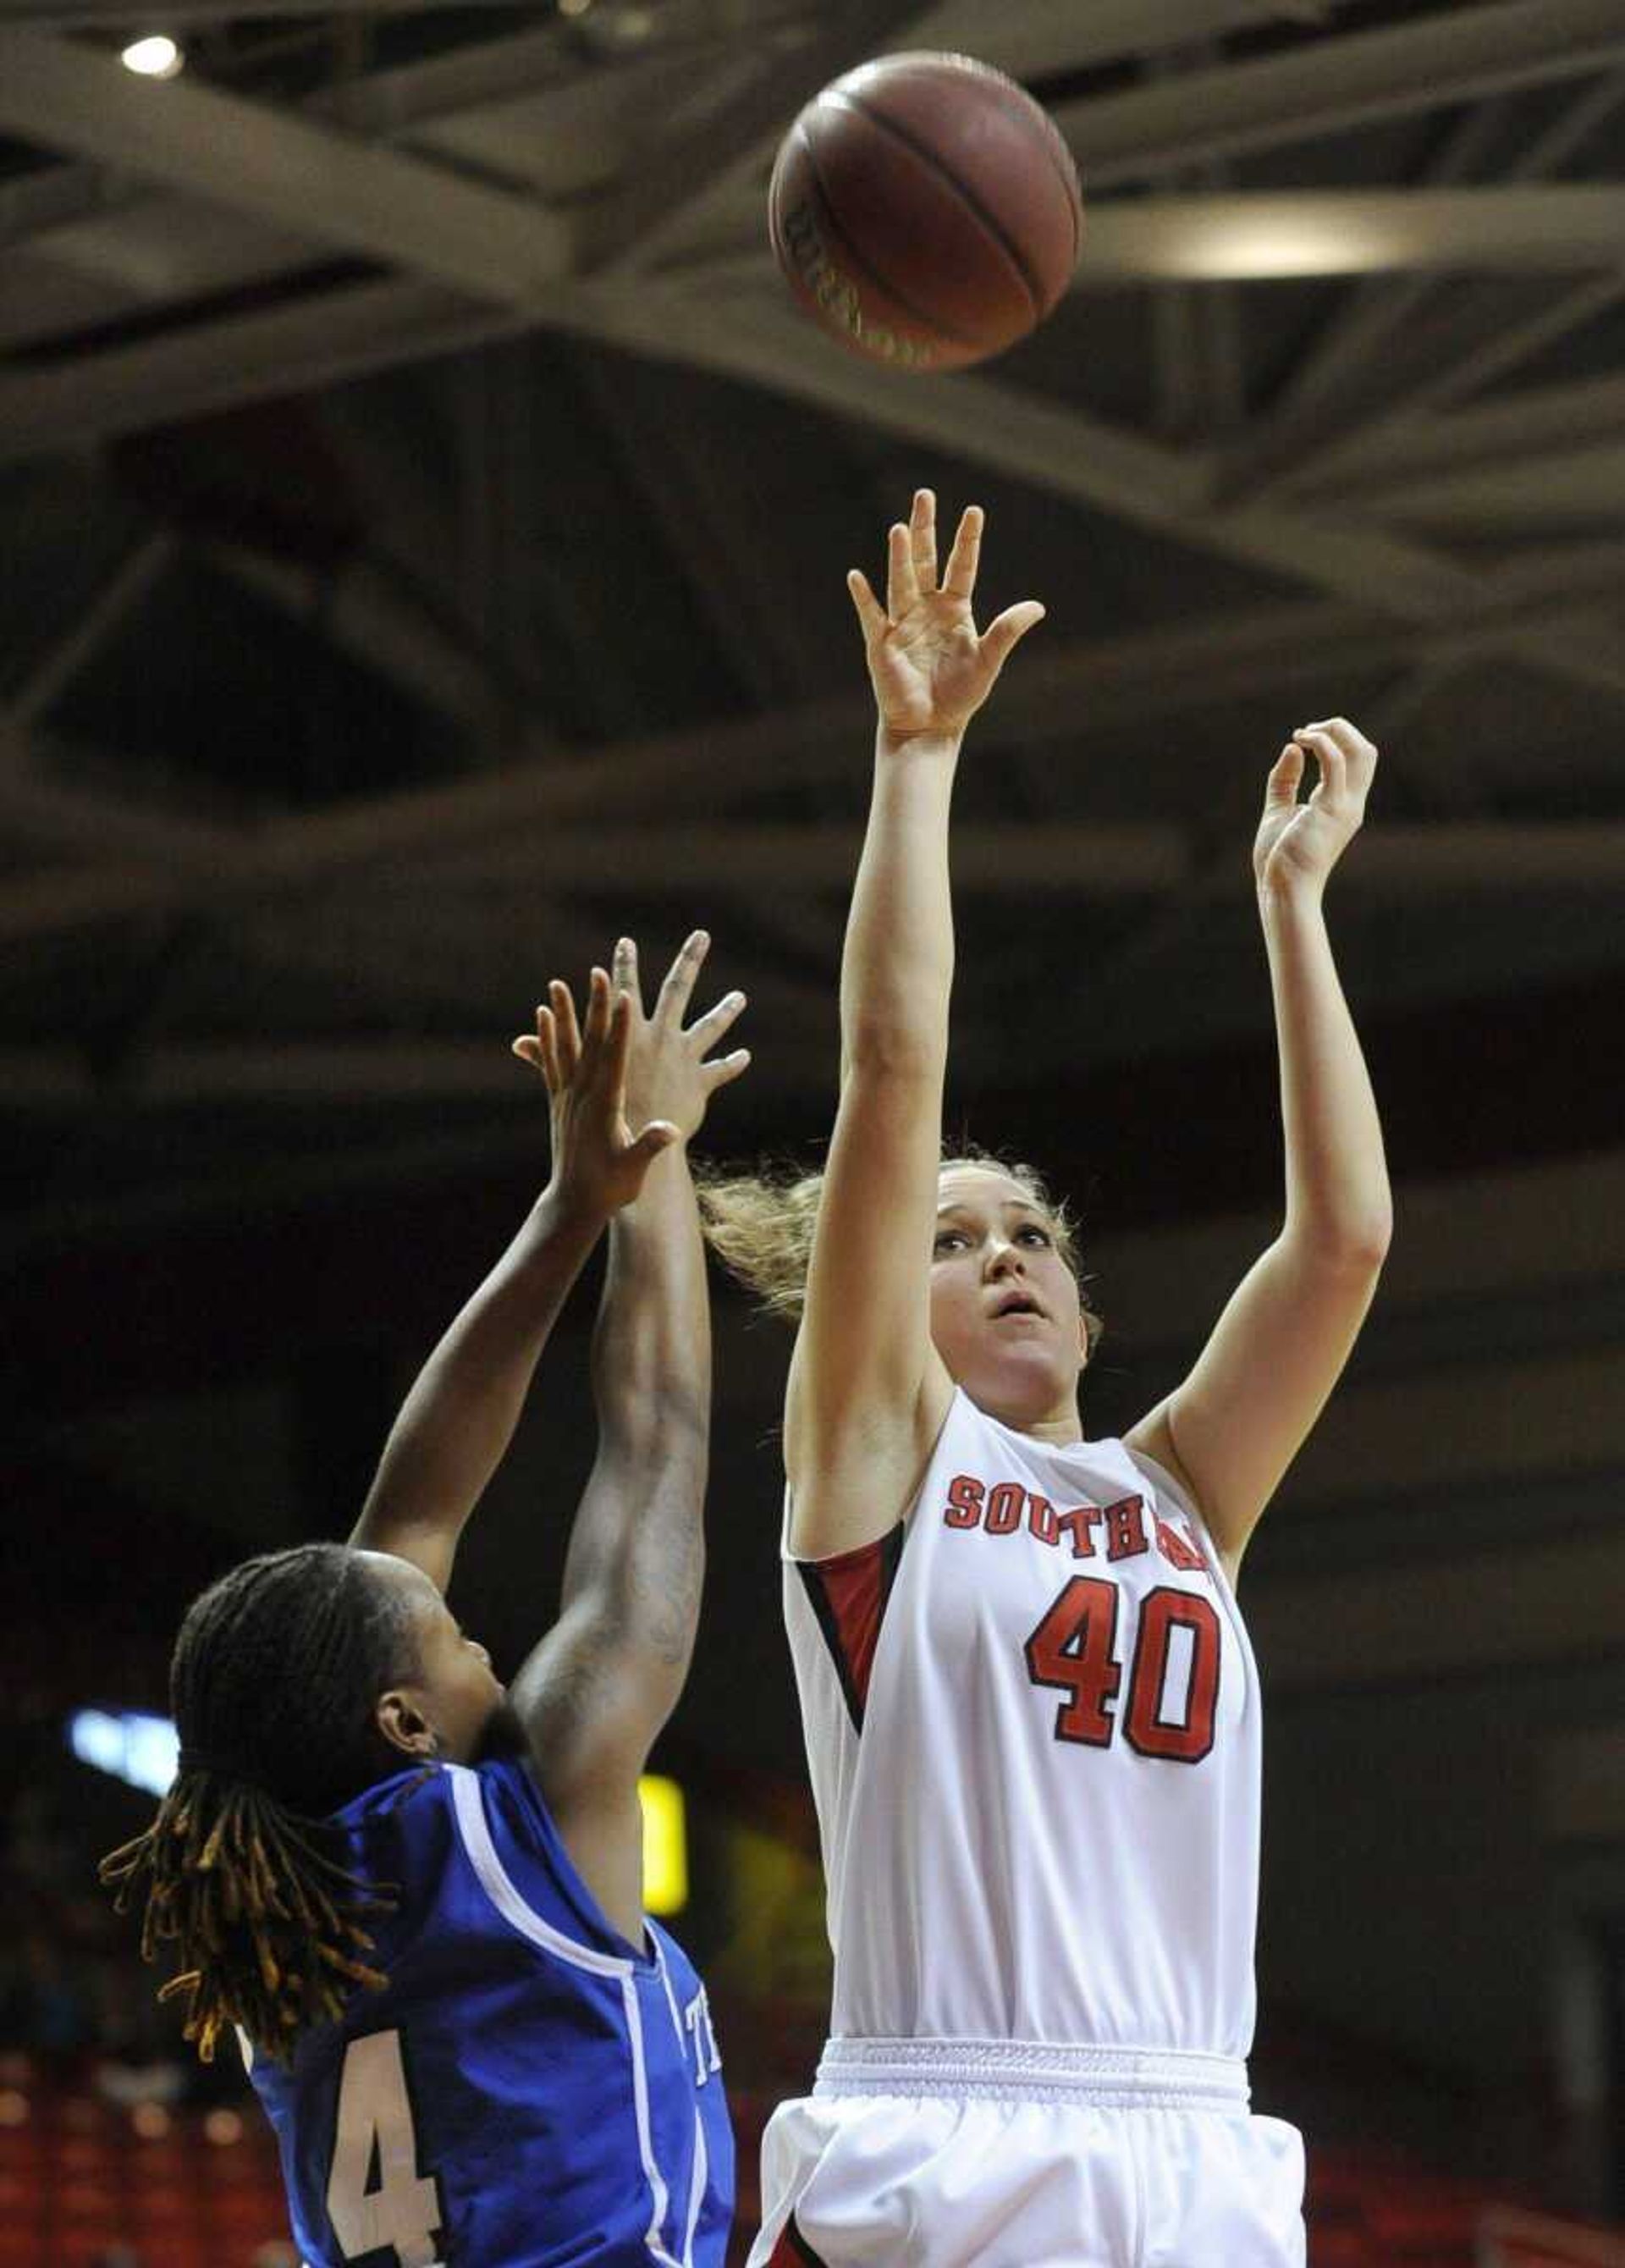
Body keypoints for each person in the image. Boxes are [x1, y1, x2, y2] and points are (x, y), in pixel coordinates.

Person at [700, 493, 1391, 2268]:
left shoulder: (1180, 1492)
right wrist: (915, 757)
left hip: (1191, 2140)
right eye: (950, 1236)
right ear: (874, 1299)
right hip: (945, 2128)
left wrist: (1291, 903)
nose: (1003, 1249)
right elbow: (889, 1059)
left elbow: (1344, 1244)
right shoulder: (876, 1468)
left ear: (1083, 1312)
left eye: (1029, 1232)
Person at [102, 933, 747, 2268]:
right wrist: (653, 1155)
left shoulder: (294, 1936)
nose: (486, 1644)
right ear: (402, 1721)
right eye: (457, 1639)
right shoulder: (537, 1821)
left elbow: (410, 1522)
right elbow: (657, 1436)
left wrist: (574, 1205)